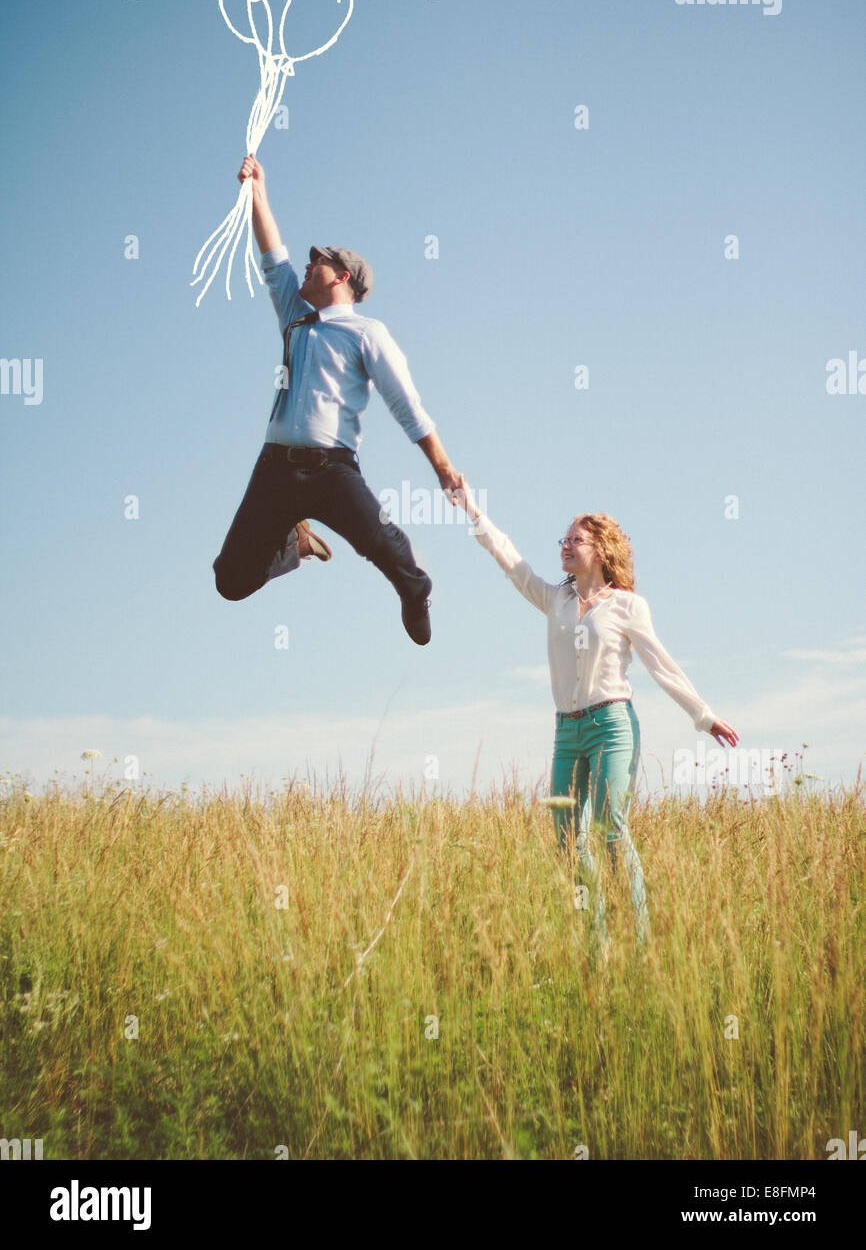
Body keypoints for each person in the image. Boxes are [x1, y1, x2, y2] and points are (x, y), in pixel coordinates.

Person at [457, 486, 738, 948]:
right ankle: (597, 944)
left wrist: (704, 716)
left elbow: (660, 663)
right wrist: (473, 510)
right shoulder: (555, 600)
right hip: (566, 731)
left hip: (612, 725)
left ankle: (641, 941)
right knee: (568, 841)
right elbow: (510, 561)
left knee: (609, 828)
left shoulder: (627, 606)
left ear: (601, 550)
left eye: (575, 541)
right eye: (562, 541)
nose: (565, 547)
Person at [213, 154, 464, 644]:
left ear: (342, 277)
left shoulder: (365, 332)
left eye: (319, 262)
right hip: (275, 469)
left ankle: (417, 593)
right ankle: (295, 539)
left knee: (383, 546)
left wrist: (443, 468)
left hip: (332, 470)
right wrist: (257, 191)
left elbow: (405, 403)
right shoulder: (295, 317)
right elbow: (273, 258)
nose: (307, 267)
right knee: (230, 580)